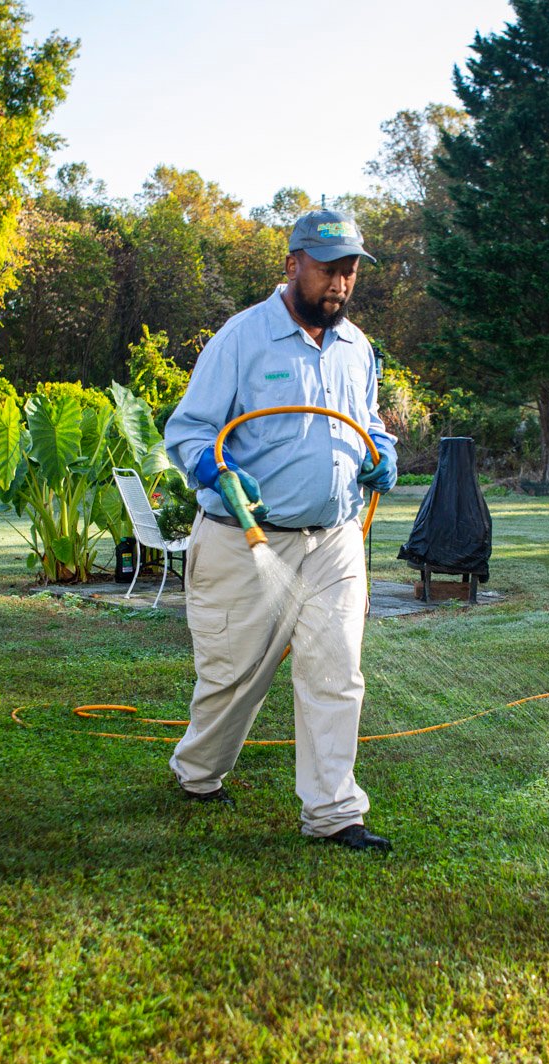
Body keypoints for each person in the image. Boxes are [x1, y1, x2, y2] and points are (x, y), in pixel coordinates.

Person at [161, 210, 399, 852]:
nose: (340, 284)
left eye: (350, 271)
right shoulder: (242, 339)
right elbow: (186, 429)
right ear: (293, 264)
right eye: (329, 269)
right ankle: (198, 773)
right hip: (248, 542)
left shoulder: (358, 349)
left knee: (336, 671)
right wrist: (217, 466)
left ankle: (333, 813)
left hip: (336, 539)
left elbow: (368, 421)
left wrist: (379, 450)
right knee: (233, 676)